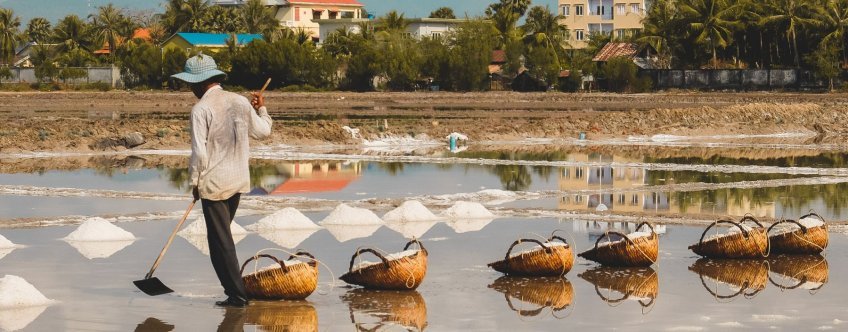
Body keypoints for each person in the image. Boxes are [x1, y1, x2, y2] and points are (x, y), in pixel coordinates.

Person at [171, 54, 273, 307]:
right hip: (238, 180)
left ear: (199, 83)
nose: (190, 89)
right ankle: (235, 292)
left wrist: (196, 183)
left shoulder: (201, 109)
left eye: (191, 85)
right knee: (222, 238)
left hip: (214, 184)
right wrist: (262, 108)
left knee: (220, 243)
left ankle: (237, 296)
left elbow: (199, 152)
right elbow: (264, 131)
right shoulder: (239, 101)